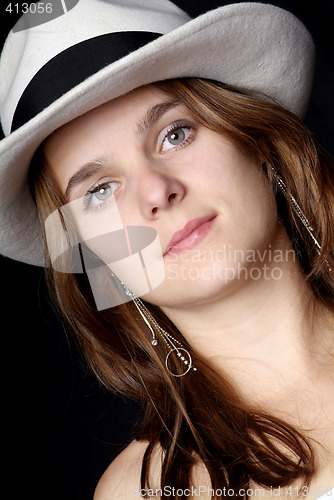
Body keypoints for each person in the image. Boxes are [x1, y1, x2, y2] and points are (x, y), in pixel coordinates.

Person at [0, 0, 333, 498]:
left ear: (256, 144)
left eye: (175, 135)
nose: (157, 193)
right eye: (99, 190)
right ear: (91, 255)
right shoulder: (141, 491)